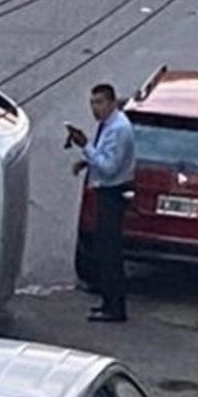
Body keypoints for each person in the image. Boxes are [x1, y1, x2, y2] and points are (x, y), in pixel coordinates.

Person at [68, 83, 136, 322]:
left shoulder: (118, 129)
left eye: (99, 102)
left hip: (112, 193)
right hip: (108, 191)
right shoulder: (109, 125)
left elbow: (109, 167)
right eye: (92, 103)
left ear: (111, 102)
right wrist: (87, 161)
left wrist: (85, 146)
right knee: (103, 249)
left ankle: (115, 307)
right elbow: (105, 155)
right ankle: (108, 301)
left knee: (110, 252)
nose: (95, 108)